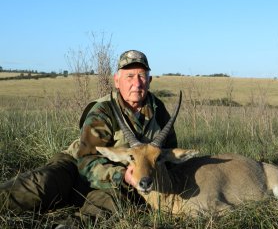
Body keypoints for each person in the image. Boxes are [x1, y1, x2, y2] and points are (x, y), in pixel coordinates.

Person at [0, 50, 178, 218]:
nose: (136, 83)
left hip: (119, 184)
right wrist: (122, 175)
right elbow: (85, 162)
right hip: (76, 167)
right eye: (129, 76)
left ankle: (64, 228)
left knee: (115, 207)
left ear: (150, 80)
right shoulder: (103, 109)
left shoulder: (159, 110)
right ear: (117, 81)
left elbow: (169, 155)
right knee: (41, 186)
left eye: (141, 76)